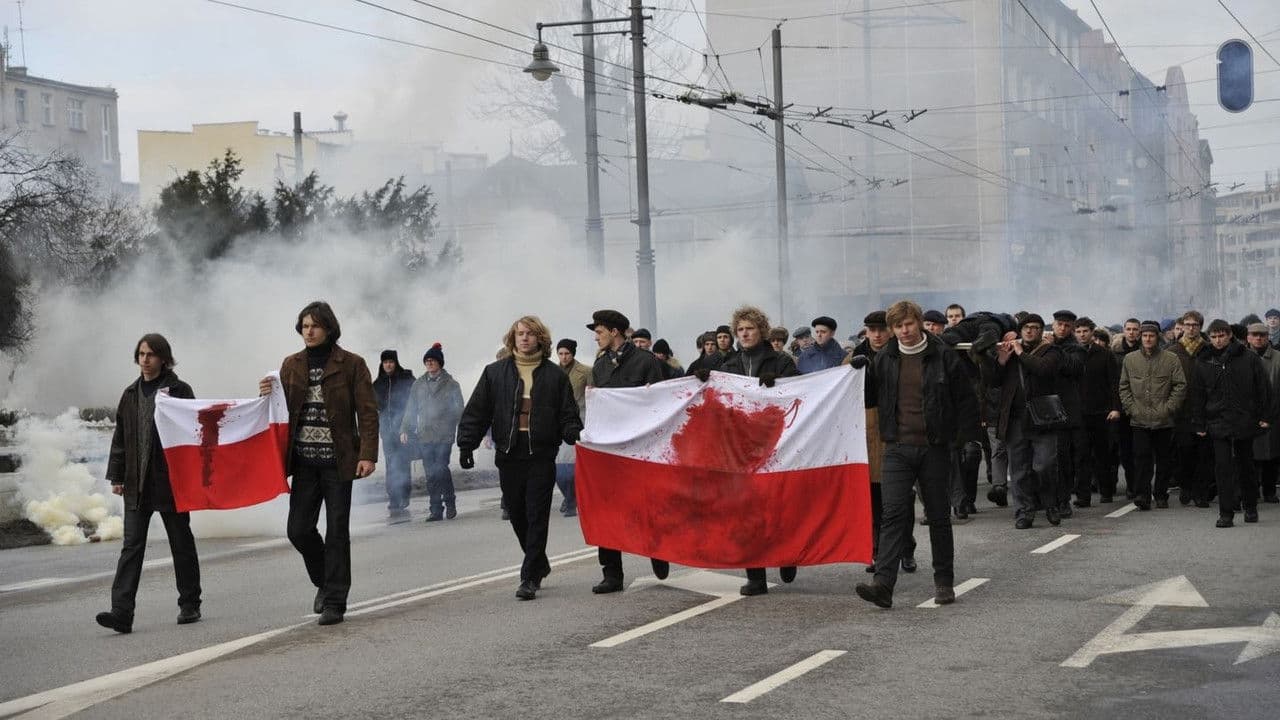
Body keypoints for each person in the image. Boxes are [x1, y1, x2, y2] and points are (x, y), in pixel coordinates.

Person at [261, 301, 378, 626]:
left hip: (338, 462)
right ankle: (326, 582)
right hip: (303, 462)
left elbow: (368, 412)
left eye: (314, 325)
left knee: (337, 531)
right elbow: (278, 410)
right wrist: (263, 394)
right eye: (304, 326)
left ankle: (335, 602)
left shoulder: (352, 364)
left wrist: (367, 454)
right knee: (298, 530)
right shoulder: (291, 365)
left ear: (328, 328)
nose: (308, 331)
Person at [855, 300, 977, 609]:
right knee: (893, 514)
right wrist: (860, 373)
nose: (904, 331)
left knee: (937, 516)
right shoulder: (885, 358)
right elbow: (871, 399)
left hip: (934, 447)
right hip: (896, 447)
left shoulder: (943, 356)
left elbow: (965, 399)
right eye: (898, 326)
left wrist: (960, 440)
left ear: (919, 322)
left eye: (908, 324)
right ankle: (883, 584)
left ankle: (944, 582)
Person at [457, 316, 582, 599]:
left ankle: (529, 577)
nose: (524, 338)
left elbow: (567, 413)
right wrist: (466, 445)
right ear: (512, 339)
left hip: (541, 453)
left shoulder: (554, 375)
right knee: (516, 513)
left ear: (540, 338)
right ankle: (538, 560)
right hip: (510, 453)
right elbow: (477, 411)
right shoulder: (495, 373)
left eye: (530, 334)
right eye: (519, 334)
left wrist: (572, 431)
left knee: (537, 513)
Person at [96, 334, 201, 634]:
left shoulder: (179, 391)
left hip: (169, 482)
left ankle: (190, 603)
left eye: (151, 354)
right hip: (135, 483)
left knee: (181, 543)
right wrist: (116, 475)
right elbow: (120, 439)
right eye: (141, 354)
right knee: (131, 547)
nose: (145, 359)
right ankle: (121, 613)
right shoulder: (130, 394)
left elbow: (193, 430)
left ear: (163, 358)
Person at [712, 305, 800, 596]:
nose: (745, 333)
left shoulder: (781, 361)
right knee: (748, 513)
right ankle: (756, 575)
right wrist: (703, 380)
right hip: (741, 449)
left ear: (761, 330)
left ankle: (788, 554)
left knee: (779, 507)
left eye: (750, 328)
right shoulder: (729, 366)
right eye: (740, 329)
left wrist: (780, 385)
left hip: (775, 445)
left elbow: (800, 394)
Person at [586, 309, 670, 593]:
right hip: (610, 450)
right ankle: (611, 573)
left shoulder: (645, 362)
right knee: (607, 509)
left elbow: (661, 403)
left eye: (599, 332)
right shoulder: (599, 367)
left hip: (642, 449)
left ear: (614, 332)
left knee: (648, 505)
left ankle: (659, 549)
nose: (596, 337)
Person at [848, 310, 917, 575]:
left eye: (881, 329)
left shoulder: (901, 353)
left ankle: (906, 548)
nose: (876, 335)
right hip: (865, 436)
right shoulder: (853, 358)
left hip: (898, 433)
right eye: (871, 330)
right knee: (875, 500)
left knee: (901, 498)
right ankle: (878, 551)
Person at [1191, 319, 1270, 528]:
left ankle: (1250, 505)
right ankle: (1226, 513)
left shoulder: (1248, 358)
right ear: (1209, 337)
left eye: (1221, 336)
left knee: (1246, 466)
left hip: (1244, 419)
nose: (1217, 340)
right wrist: (1199, 423)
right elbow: (1197, 394)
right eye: (1214, 336)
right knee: (1222, 468)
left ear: (1229, 335)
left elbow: (1262, 388)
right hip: (1217, 421)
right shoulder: (1204, 360)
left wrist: (1264, 416)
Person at [987, 314, 1062, 529]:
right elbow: (992, 382)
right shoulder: (1009, 353)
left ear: (1041, 331)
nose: (1030, 331)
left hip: (1043, 419)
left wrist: (1020, 353)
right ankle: (1023, 512)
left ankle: (1050, 504)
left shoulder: (1051, 351)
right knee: (1019, 470)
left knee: (1044, 465)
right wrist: (1000, 362)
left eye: (1035, 327)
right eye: (1026, 327)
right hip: (1016, 419)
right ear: (1020, 330)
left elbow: (1043, 369)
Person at [1118, 321, 1186, 513]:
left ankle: (1161, 494)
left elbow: (1180, 385)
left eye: (1151, 336)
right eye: (1145, 336)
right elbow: (1123, 386)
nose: (1148, 339)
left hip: (1164, 419)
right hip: (1139, 418)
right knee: (1141, 458)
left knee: (1164, 459)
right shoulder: (1130, 359)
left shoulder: (1170, 359)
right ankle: (1143, 495)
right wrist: (1131, 408)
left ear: (1157, 338)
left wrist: (1169, 408)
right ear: (1140, 337)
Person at [401, 344, 464, 522]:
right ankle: (435, 509)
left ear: (440, 363)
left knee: (441, 468)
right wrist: (405, 428)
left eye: (432, 361)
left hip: (444, 434)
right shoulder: (418, 384)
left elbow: (460, 409)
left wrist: (460, 428)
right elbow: (411, 409)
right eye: (427, 361)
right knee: (430, 472)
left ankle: (450, 503)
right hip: (425, 435)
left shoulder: (452, 384)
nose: (429, 364)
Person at [1169, 311, 1215, 507]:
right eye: (1187, 324)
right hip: (1182, 410)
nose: (1190, 328)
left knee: (1204, 454)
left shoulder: (1209, 350)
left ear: (1200, 327)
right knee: (1185, 451)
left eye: (1195, 325)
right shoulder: (1173, 351)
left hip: (1206, 409)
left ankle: (1200, 492)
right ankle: (1186, 486)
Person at [1074, 318, 1122, 504]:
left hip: (1102, 412)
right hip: (1079, 412)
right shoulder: (1071, 353)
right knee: (1081, 455)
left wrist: (1115, 407)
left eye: (1085, 331)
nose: (1082, 334)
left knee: (1103, 455)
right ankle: (1083, 495)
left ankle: (1106, 491)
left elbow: (1113, 383)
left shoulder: (1104, 354)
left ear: (1092, 332)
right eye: (1078, 331)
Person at [1048, 310, 1086, 516]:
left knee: (1063, 459)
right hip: (1041, 408)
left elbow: (1073, 367)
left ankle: (1063, 500)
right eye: (1059, 324)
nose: (1062, 328)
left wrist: (1052, 348)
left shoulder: (1076, 349)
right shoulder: (1042, 343)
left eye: (1066, 325)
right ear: (1053, 325)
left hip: (1063, 412)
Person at [373, 350, 414, 521]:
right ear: (382, 365)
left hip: (403, 431)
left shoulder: (406, 380)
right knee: (391, 464)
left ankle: (403, 496)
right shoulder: (377, 384)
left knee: (403, 463)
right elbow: (372, 406)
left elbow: (415, 402)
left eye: (391, 362)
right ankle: (393, 498)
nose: (388, 365)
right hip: (387, 432)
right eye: (385, 362)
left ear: (396, 363)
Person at [555, 338, 592, 516]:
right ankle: (570, 497)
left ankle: (571, 501)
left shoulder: (585, 371)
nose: (563, 357)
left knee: (571, 467)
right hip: (557, 422)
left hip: (580, 419)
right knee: (559, 469)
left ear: (573, 354)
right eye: (560, 353)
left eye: (567, 353)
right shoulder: (551, 372)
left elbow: (594, 395)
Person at [1247, 323, 1280, 504]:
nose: (1258, 338)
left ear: (1268, 337)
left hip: (1273, 414)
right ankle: (1251, 492)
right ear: (1248, 337)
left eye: (1262, 335)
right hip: (1247, 415)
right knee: (1248, 457)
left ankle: (1269, 491)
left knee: (1271, 456)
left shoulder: (1278, 358)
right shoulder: (1241, 358)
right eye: (1254, 334)